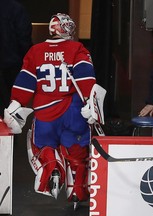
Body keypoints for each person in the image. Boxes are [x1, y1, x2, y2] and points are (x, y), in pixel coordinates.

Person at [3, 13, 97, 209]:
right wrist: (91, 103)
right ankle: (76, 191)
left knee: (42, 147)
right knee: (77, 153)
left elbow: (25, 82)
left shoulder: (35, 51)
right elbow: (85, 78)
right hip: (74, 112)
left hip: (45, 112)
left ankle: (53, 166)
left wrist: (15, 103)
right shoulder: (77, 48)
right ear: (69, 29)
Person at [0, 0, 32, 118]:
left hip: (10, 62)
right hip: (12, 64)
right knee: (12, 108)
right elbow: (24, 37)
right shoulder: (16, 9)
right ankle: (10, 135)